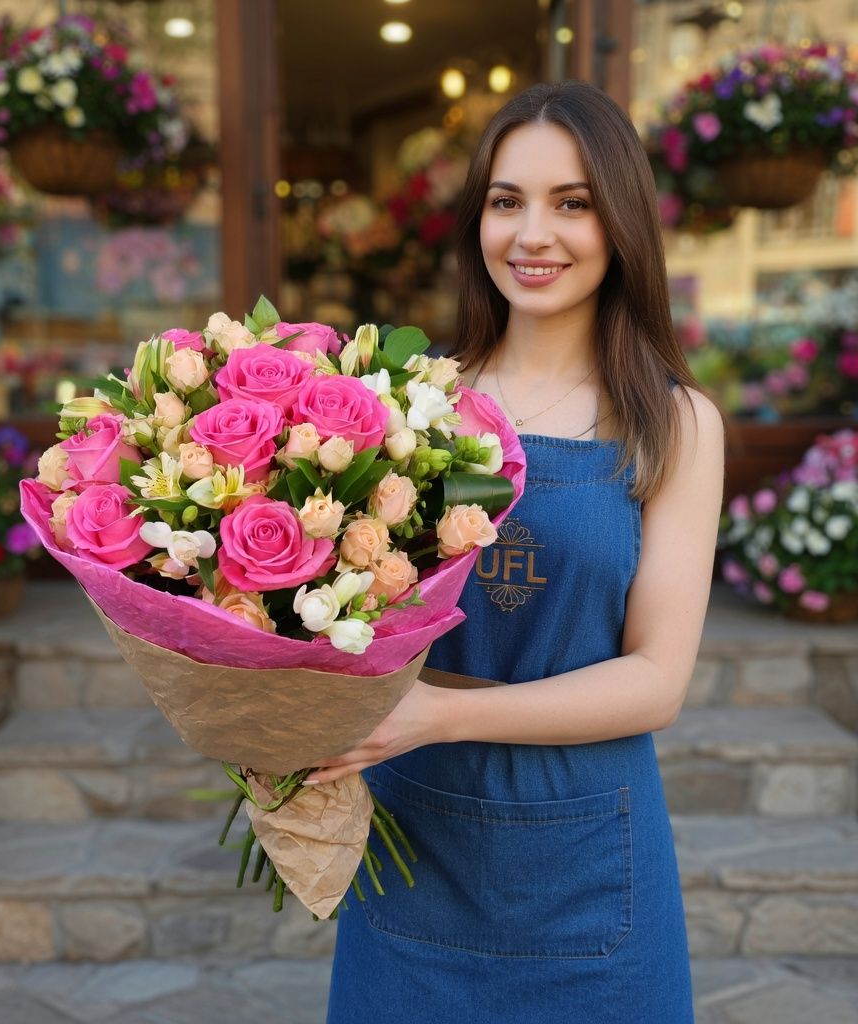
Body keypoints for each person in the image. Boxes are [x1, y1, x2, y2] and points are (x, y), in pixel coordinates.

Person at [308, 80, 725, 1024]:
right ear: (477, 221)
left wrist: (433, 715)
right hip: (415, 843)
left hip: (588, 870)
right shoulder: (413, 404)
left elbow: (657, 680)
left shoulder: (674, 424)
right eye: (507, 201)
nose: (534, 234)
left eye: (571, 203)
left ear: (620, 224)